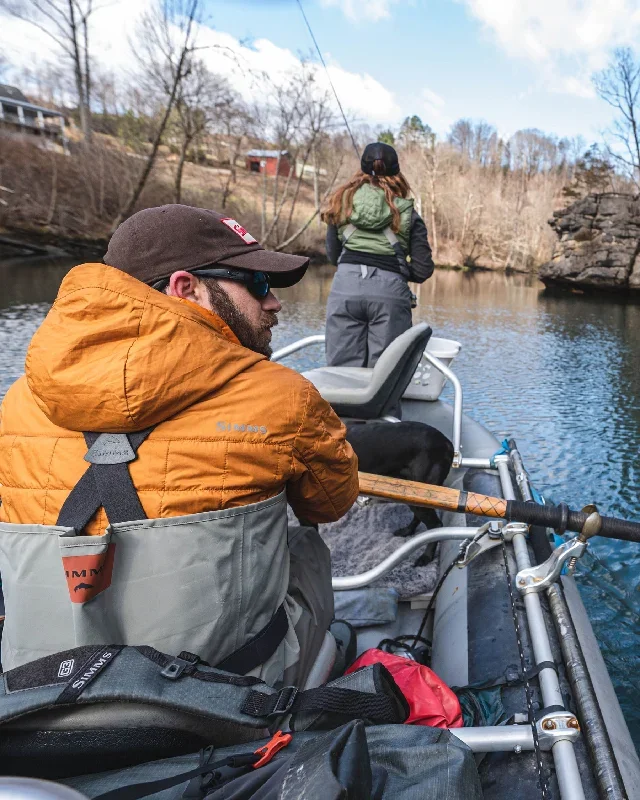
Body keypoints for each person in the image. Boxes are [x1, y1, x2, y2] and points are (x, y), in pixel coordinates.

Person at [0, 204, 359, 688]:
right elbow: (332, 502)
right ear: (185, 287)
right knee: (305, 545)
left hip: (37, 693)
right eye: (256, 283)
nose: (273, 303)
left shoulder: (19, 400)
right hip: (215, 700)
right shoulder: (282, 395)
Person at [322, 142, 435, 368]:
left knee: (340, 376)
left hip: (345, 289)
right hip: (390, 295)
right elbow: (423, 269)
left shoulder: (341, 204)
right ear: (396, 172)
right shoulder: (409, 213)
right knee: (386, 375)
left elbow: (334, 257)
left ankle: (342, 405)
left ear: (362, 169)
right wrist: (396, 270)